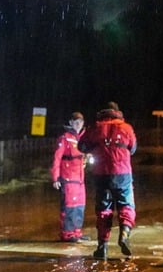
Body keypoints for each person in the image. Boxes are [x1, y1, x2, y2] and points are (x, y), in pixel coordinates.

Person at [78, 101, 137, 260]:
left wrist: (95, 148)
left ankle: (102, 247)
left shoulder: (95, 128)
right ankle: (124, 234)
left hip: (102, 174)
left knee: (104, 210)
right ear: (117, 112)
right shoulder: (127, 128)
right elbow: (133, 148)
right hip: (123, 173)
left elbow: (81, 145)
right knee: (126, 205)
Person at [51, 112, 87, 242]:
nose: (78, 124)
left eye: (81, 122)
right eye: (76, 122)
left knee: (80, 205)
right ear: (71, 122)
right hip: (68, 178)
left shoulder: (83, 138)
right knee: (69, 206)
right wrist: (55, 178)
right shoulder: (65, 138)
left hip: (79, 179)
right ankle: (67, 233)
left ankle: (76, 232)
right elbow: (57, 158)